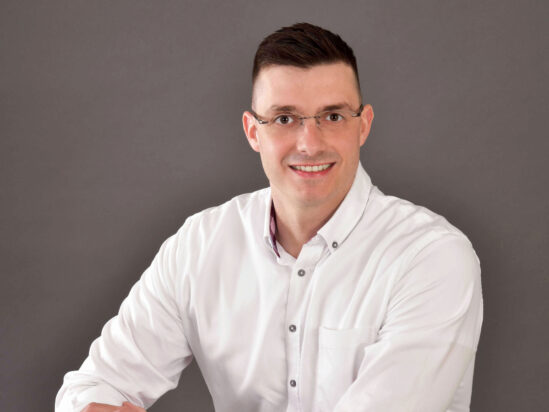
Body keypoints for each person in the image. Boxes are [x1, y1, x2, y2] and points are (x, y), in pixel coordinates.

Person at [56, 22, 483, 412]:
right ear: (253, 131)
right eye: (284, 118)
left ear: (363, 125)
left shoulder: (432, 257)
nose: (309, 143)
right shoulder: (200, 245)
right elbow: (93, 388)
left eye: (333, 116)